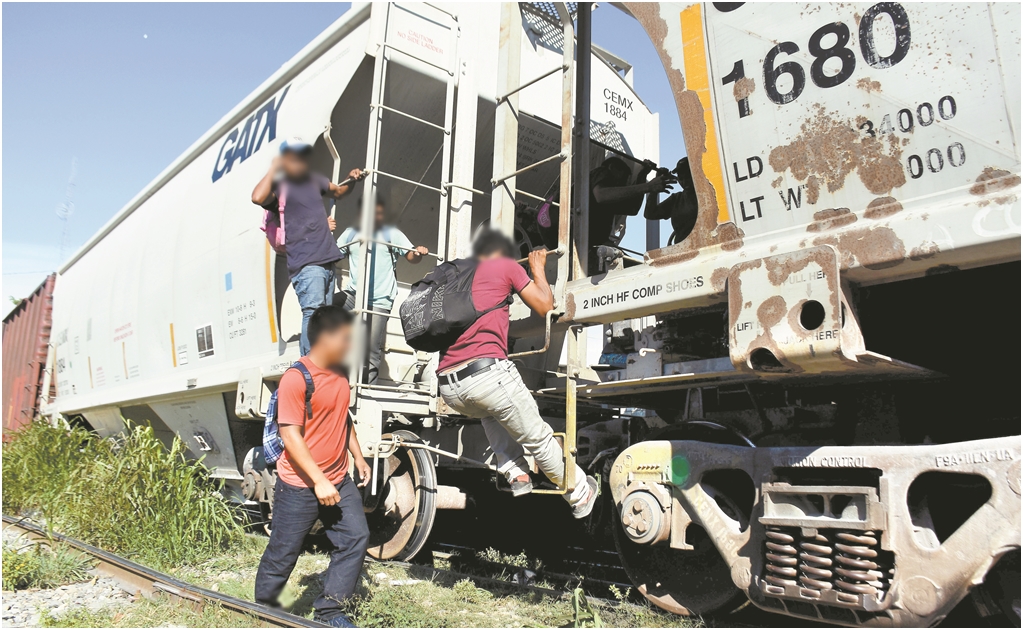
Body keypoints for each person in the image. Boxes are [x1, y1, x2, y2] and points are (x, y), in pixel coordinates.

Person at [436, 229, 599, 518]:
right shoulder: (506, 266)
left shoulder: (456, 277)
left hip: (450, 386)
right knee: (537, 437)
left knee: (489, 410)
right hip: (485, 375)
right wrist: (537, 269)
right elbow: (545, 306)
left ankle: (516, 473)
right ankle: (579, 493)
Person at [254, 305, 371, 628]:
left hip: (338, 478)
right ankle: (265, 610)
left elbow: (342, 418)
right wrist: (319, 481)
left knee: (355, 538)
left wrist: (358, 457)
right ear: (325, 337)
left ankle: (331, 611)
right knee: (284, 552)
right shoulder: (296, 379)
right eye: (346, 338)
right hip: (300, 484)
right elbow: (290, 435)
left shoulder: (340, 372)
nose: (350, 344)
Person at [251, 136, 365, 355]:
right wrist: (275, 166)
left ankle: (321, 366)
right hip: (306, 263)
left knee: (325, 319)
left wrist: (351, 179)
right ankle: (310, 369)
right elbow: (257, 197)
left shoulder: (314, 180)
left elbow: (339, 192)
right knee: (313, 314)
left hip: (327, 261)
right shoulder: (279, 186)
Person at [337, 195, 429, 385]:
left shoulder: (391, 233)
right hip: (354, 295)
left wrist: (418, 252)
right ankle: (334, 376)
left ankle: (368, 390)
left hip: (380, 299)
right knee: (325, 312)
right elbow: (333, 255)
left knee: (371, 348)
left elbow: (411, 256)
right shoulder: (350, 233)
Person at [535, 157, 673, 273]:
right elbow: (602, 195)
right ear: (613, 167)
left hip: (572, 240)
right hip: (572, 236)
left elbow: (632, 209)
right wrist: (647, 187)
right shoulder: (602, 172)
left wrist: (643, 177)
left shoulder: (602, 193)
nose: (624, 183)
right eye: (624, 177)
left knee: (636, 268)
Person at [643, 157, 699, 246]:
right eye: (681, 177)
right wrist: (654, 189)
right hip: (682, 249)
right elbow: (650, 214)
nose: (684, 181)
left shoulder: (711, 195)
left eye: (688, 176)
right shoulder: (676, 199)